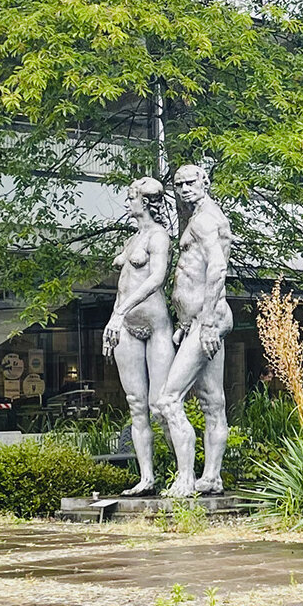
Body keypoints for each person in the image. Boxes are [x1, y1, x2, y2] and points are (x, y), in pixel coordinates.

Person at [151, 163, 235, 497]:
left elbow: (217, 269)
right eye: (179, 184)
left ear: (205, 183)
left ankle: (185, 479)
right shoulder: (201, 217)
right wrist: (187, 322)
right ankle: (212, 477)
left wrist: (208, 322)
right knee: (212, 402)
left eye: (191, 183)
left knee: (168, 400)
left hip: (207, 318)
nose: (185, 189)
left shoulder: (204, 220)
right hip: (200, 319)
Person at [103, 176, 177, 496]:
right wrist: (114, 319)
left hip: (156, 326)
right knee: (136, 405)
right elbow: (123, 287)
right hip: (126, 327)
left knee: (161, 406)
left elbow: (156, 279)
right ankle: (147, 478)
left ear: (145, 202)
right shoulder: (132, 239)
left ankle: (183, 474)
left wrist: (120, 312)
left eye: (131, 197)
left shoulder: (158, 236)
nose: (127, 202)